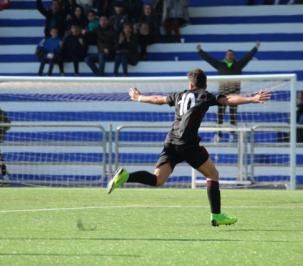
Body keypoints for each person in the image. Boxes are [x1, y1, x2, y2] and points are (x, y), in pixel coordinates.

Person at [107, 68, 271, 226]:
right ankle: (217, 216)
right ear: (204, 85)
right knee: (213, 174)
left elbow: (158, 99)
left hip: (171, 142)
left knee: (157, 179)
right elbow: (228, 100)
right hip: (188, 144)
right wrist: (252, 98)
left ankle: (126, 176)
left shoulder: (179, 95)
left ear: (191, 85)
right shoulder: (204, 96)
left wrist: (139, 97)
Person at [197, 42, 260, 140]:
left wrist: (255, 48)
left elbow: (248, 57)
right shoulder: (220, 64)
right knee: (220, 115)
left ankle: (232, 133)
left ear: (233, 56)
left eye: (231, 54)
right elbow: (209, 59)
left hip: (234, 94)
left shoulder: (238, 65)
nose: (230, 55)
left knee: (233, 114)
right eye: (228, 54)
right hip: (222, 94)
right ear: (225, 56)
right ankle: (218, 134)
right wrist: (200, 51)